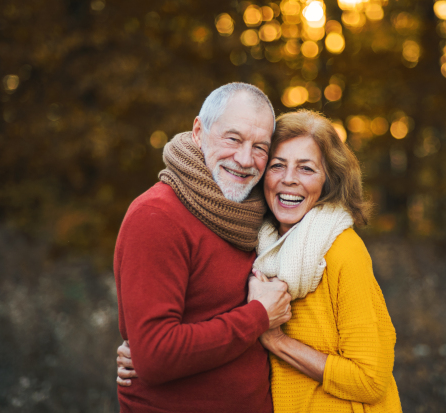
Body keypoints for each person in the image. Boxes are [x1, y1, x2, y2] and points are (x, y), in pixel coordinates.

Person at [118, 109, 403, 412]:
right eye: (278, 165)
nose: (289, 180)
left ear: (329, 181)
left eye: (306, 169)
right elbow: (214, 318)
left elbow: (370, 380)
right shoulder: (256, 243)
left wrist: (276, 340)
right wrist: (146, 347)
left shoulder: (342, 250)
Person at [113, 82, 292, 413]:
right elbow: (155, 356)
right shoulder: (156, 216)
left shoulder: (259, 216)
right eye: (233, 139)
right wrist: (258, 316)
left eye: (260, 147)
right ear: (199, 131)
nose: (244, 159)